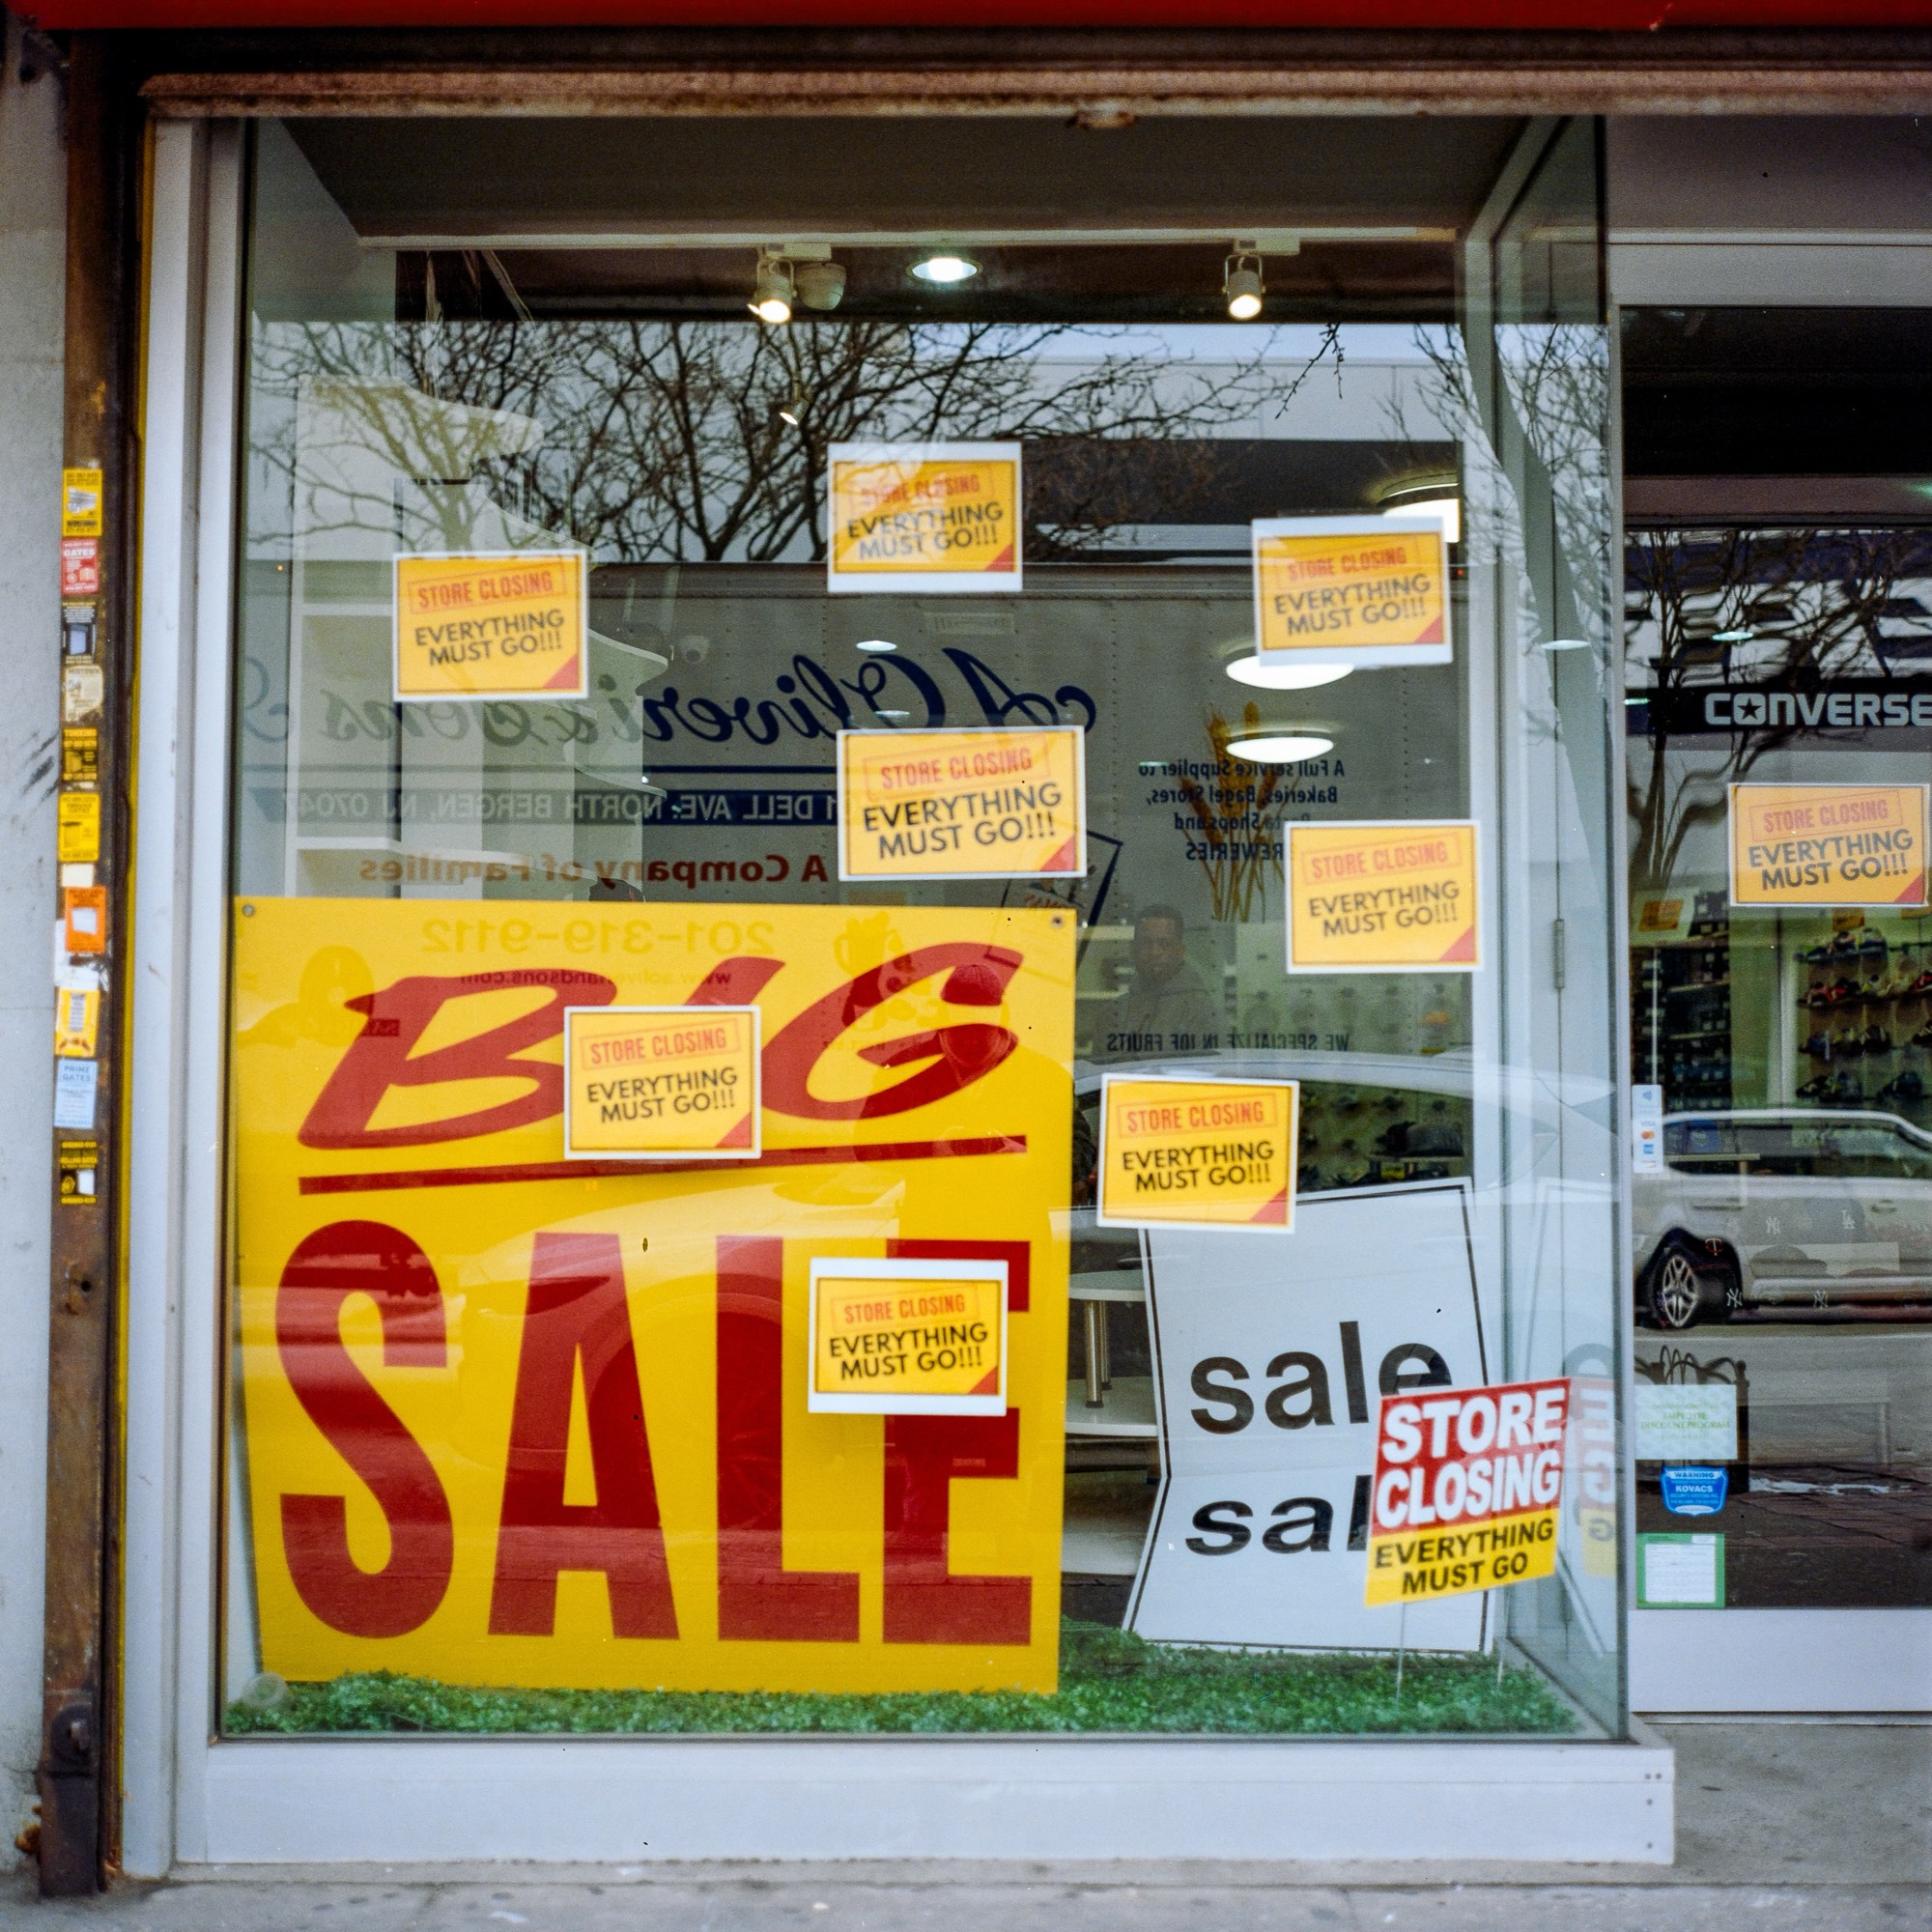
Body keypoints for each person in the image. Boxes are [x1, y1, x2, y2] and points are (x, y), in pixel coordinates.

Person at [1107, 904, 1220, 1056]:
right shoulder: (1113, 1012)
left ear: (1180, 952)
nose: (1155, 952)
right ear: (1133, 950)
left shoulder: (1204, 1012)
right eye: (1146, 943)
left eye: (1165, 944)